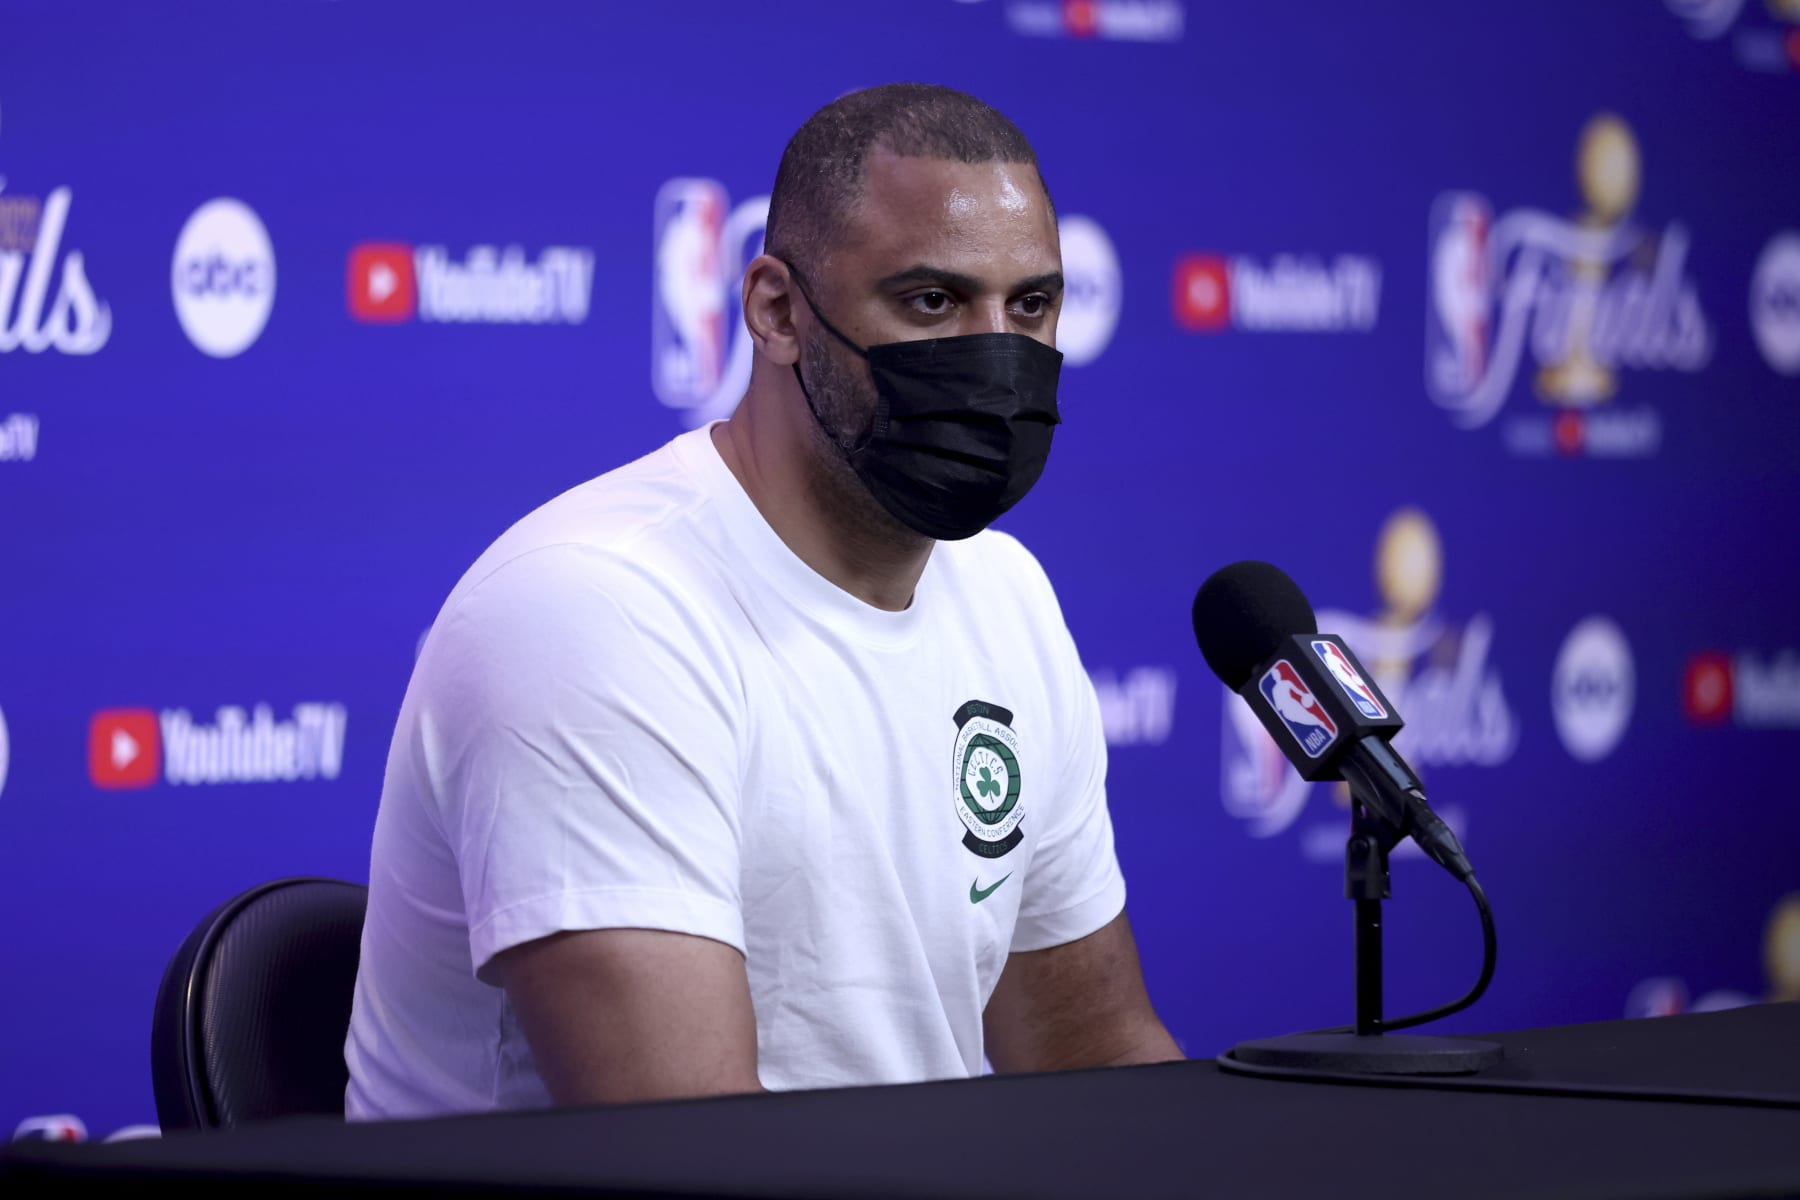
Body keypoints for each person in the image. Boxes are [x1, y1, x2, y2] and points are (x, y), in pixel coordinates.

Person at [344, 82, 1182, 1120]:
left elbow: (1091, 1054)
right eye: (932, 302)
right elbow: (691, 1149)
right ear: (779, 311)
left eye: (1030, 307)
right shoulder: (596, 613)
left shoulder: (1005, 595)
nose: (996, 359)